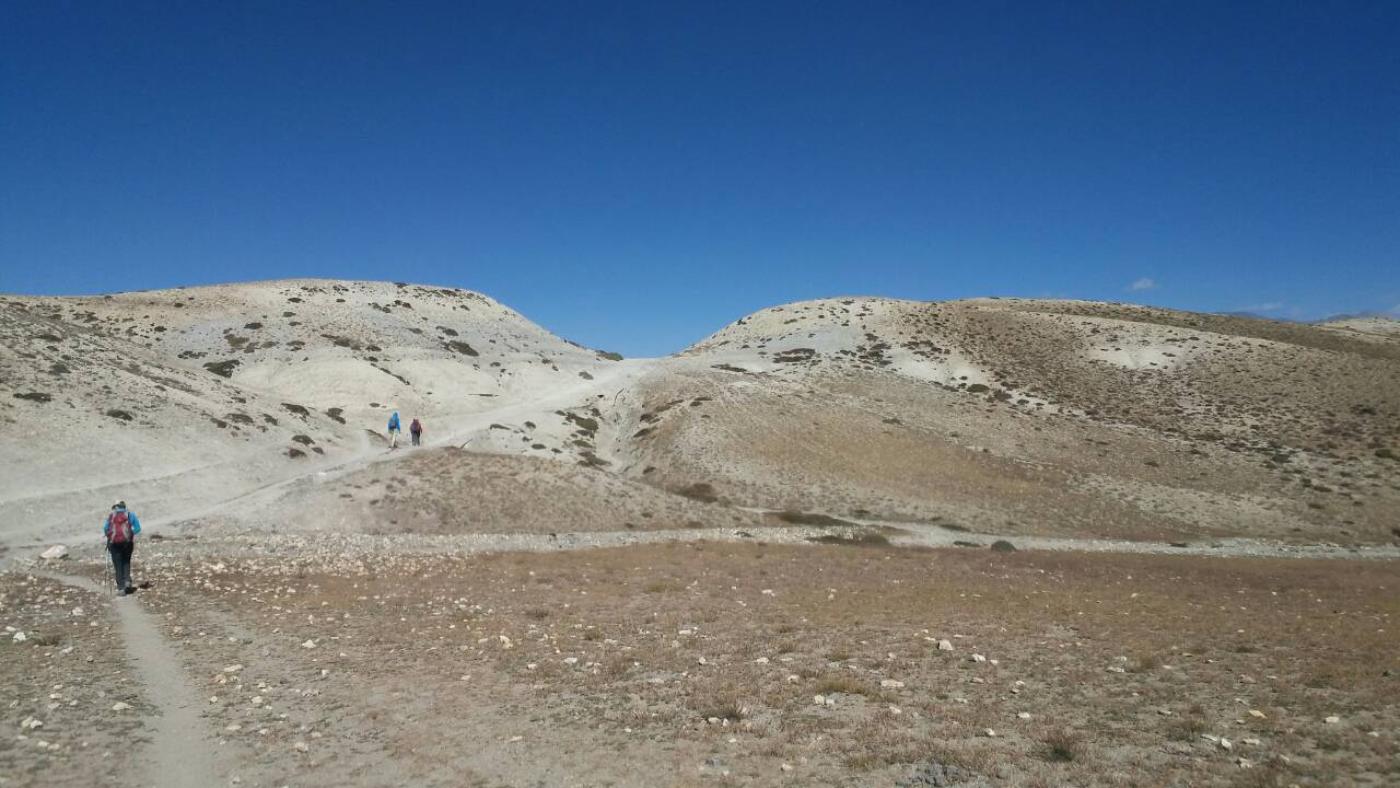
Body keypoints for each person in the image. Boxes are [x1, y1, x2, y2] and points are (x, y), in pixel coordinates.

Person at [102, 501, 141, 595]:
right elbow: (138, 528)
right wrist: (130, 534)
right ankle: (127, 581)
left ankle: (121, 588)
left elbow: (105, 528)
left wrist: (109, 537)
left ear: (115, 507)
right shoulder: (130, 515)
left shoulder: (111, 516)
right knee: (126, 562)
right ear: (124, 506)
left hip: (114, 544)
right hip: (127, 543)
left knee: (118, 565)